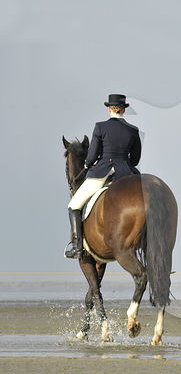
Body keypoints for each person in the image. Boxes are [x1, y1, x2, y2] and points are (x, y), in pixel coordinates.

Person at [64, 94, 142, 259]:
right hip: (126, 174)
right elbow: (135, 159)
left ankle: (78, 248)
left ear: (109, 109)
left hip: (102, 172)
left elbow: (92, 156)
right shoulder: (133, 130)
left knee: (74, 206)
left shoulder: (100, 127)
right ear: (124, 110)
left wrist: (87, 165)